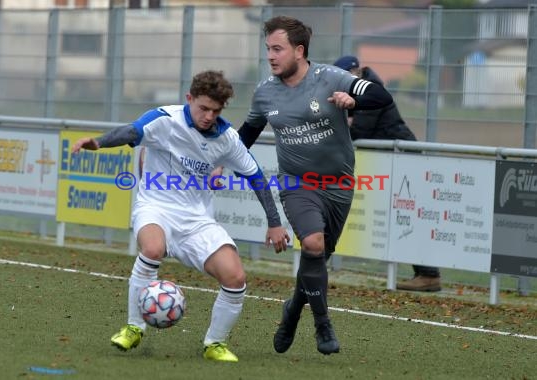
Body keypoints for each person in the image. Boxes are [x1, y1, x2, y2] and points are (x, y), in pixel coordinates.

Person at [72, 70, 290, 363]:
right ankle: (134, 327)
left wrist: (274, 223)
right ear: (189, 99)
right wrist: (98, 143)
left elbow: (256, 177)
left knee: (236, 277)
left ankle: (214, 344)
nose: (209, 116)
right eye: (203, 108)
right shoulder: (166, 120)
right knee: (152, 249)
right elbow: (133, 131)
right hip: (155, 207)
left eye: (215, 110)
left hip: (197, 221)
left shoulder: (226, 139)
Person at [237, 16, 393, 355]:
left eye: (277, 49)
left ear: (299, 50)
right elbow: (245, 135)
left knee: (316, 258)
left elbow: (381, 96)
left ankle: (293, 309)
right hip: (296, 183)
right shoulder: (264, 93)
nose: (271, 56)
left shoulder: (331, 78)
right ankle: (323, 324)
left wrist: (354, 101)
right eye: (268, 49)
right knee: (312, 242)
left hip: (338, 186)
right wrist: (220, 158)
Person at [333, 55, 441, 292]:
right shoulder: (364, 89)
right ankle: (425, 273)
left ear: (355, 72)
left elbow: (360, 130)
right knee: (405, 214)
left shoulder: (371, 92)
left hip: (404, 159)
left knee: (410, 214)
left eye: (344, 76)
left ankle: (428, 274)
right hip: (394, 159)